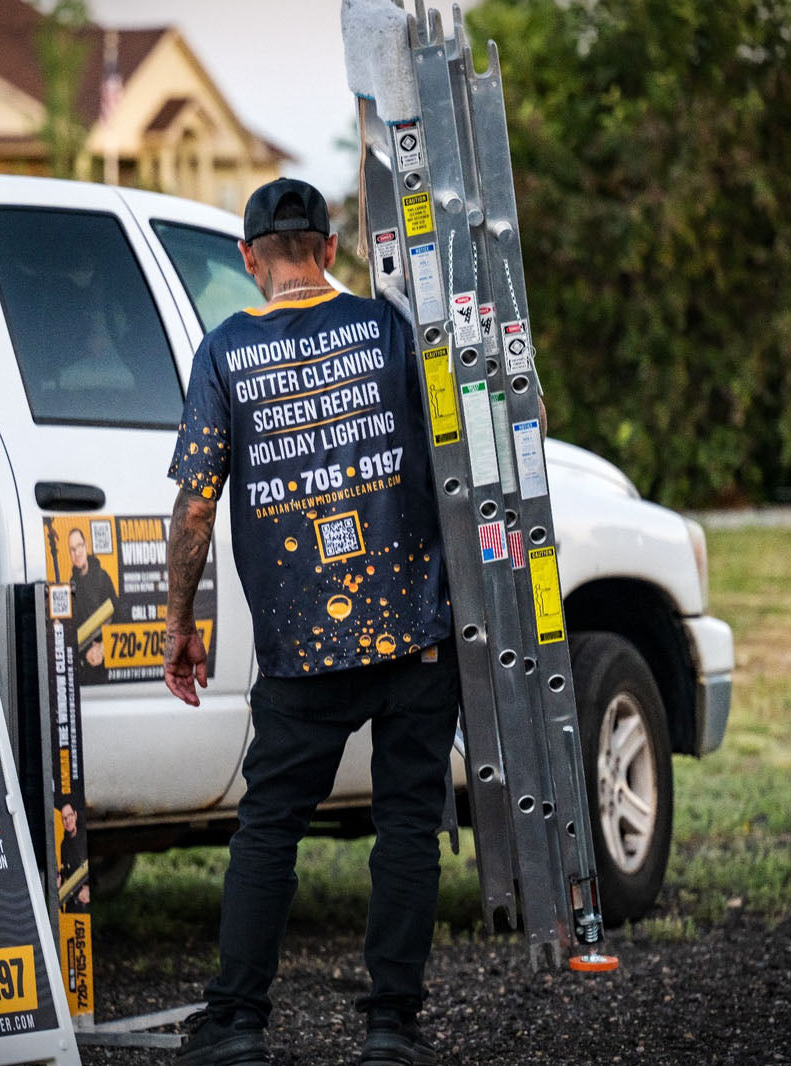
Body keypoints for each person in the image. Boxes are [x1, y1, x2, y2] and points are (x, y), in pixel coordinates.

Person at [163, 178, 458, 1066]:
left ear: (250, 260)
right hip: (414, 626)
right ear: (329, 251)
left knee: (271, 825)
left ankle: (238, 1024)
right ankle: (390, 1029)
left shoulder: (225, 351)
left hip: (303, 649)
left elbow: (193, 506)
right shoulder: (390, 329)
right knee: (408, 819)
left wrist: (180, 622)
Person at [69, 526, 119, 684]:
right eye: (72, 549)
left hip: (103, 663)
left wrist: (103, 648)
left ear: (86, 546)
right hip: (82, 666)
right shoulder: (71, 585)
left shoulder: (102, 577)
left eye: (79, 546)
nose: (77, 553)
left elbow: (119, 615)